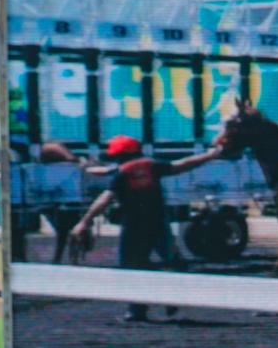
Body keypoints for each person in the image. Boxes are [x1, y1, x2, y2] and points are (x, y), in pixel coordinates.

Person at [69, 136, 222, 322]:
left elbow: (106, 197)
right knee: (173, 260)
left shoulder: (122, 172)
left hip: (133, 226)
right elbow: (183, 164)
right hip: (158, 223)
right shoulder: (152, 166)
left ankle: (137, 309)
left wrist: (85, 221)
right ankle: (172, 296)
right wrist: (209, 155)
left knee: (132, 267)